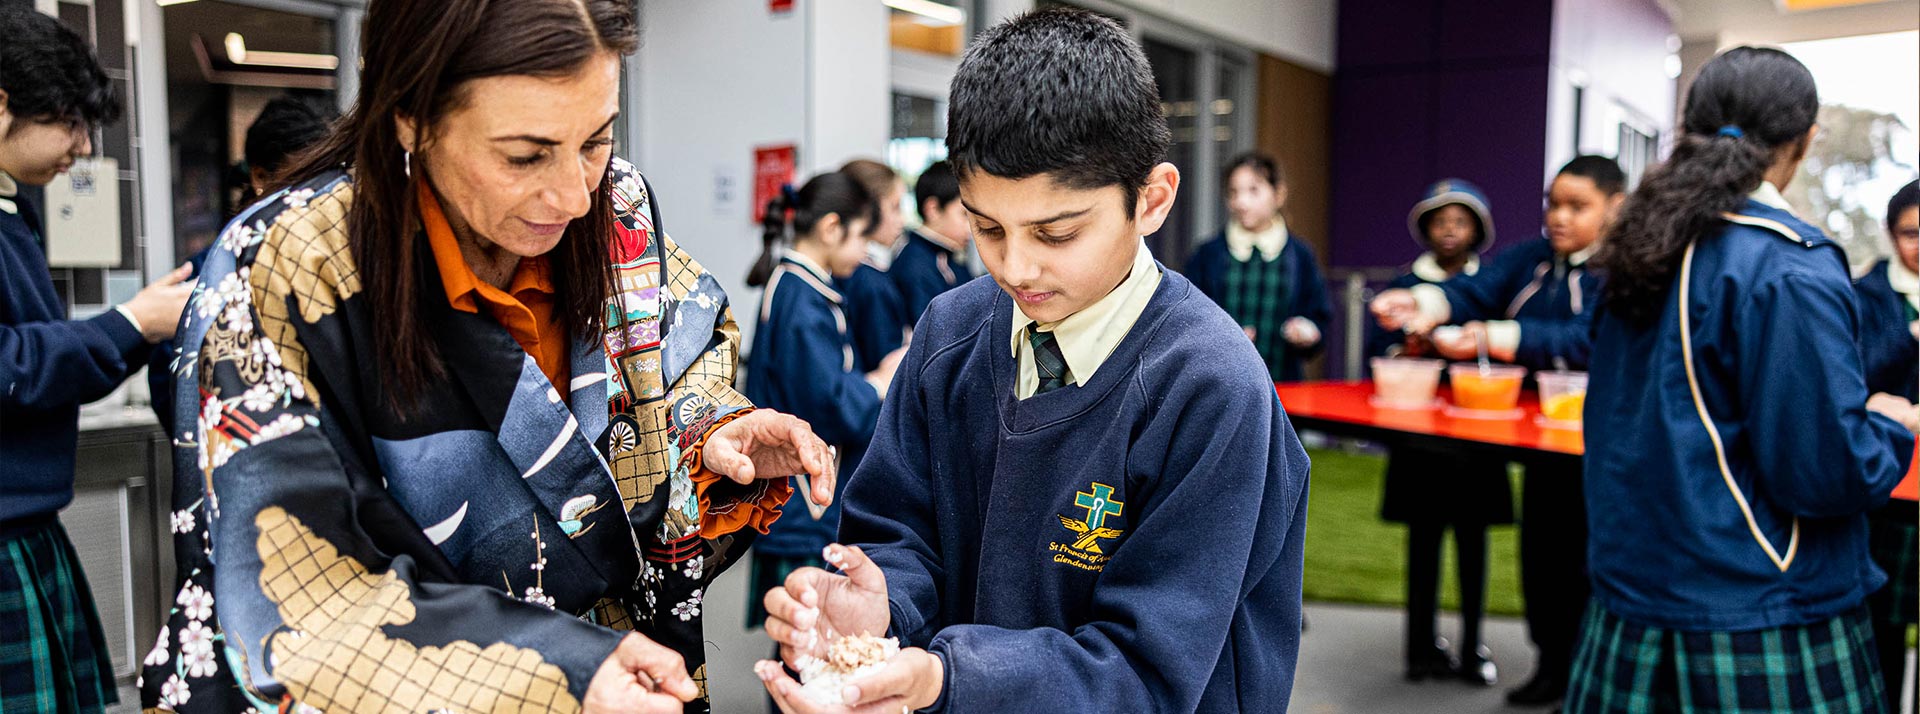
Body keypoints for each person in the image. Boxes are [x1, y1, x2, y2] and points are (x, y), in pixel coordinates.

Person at [135, 1, 839, 712]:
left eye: (597, 138)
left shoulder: (616, 205)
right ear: (410, 113)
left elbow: (658, 374)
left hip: (629, 672)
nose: (570, 194)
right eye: (524, 155)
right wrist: (554, 671)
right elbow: (290, 587)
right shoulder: (288, 267)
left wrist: (707, 433)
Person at [752, 10, 1311, 712]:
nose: (1016, 267)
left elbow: (1152, 670)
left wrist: (948, 679)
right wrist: (883, 605)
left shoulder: (1210, 386)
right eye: (986, 228)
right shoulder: (950, 333)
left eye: (1057, 231)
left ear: (1153, 199)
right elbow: (898, 530)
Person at [1566, 47, 1914, 713]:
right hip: (1758, 606)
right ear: (1805, 140)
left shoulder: (1641, 247)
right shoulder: (1786, 266)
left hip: (1634, 594)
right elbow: (1822, 472)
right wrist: (1888, 427)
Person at [1373, 157, 1627, 707]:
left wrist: (1495, 335)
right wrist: (1419, 301)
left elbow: (1587, 340)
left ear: (1616, 208)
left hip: (1595, 449)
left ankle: (1585, 672)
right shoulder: (1532, 259)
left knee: (1585, 559)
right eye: (1552, 204)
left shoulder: (1622, 272)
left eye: (1576, 206)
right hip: (1536, 446)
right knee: (1540, 553)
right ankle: (1548, 663)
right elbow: (1475, 289)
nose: (1558, 217)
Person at [0, 8, 193, 713]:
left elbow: (41, 362)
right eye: (70, 124)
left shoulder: (12, 211)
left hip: (28, 530)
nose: (82, 149)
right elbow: (8, 364)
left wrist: (140, 330)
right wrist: (127, 322)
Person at [1365, 179, 1511, 687]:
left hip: (1475, 440)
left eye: (1461, 220)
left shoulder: (1491, 285)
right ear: (1426, 229)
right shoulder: (1404, 285)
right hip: (1421, 440)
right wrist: (1406, 348)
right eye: (1440, 220)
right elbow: (1376, 351)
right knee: (1423, 544)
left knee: (1474, 545)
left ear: (1478, 231)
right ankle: (1419, 650)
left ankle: (1473, 648)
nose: (1450, 230)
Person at [743, 171, 900, 635]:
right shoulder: (802, 298)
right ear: (832, 229)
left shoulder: (798, 286)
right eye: (861, 238)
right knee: (807, 631)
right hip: (802, 501)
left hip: (799, 496)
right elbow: (827, 404)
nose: (866, 252)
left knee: (804, 631)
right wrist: (878, 382)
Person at [150, 95, 336, 435]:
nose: (325, 201)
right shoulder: (209, 277)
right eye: (310, 182)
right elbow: (176, 399)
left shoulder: (340, 267)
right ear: (260, 176)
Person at [1185, 152, 1333, 382]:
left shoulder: (1300, 255)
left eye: (1253, 191)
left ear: (1279, 194)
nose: (1241, 203)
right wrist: (1220, 339)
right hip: (1220, 384)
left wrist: (1307, 332)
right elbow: (1188, 317)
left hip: (1282, 384)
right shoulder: (1208, 254)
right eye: (1234, 192)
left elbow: (1319, 317)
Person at [1858, 178, 1920, 712]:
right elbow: (1856, 375)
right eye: (1912, 233)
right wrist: (1913, 332)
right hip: (1890, 488)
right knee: (1881, 626)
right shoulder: (1865, 294)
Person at [833, 159, 910, 372]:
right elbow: (885, 361)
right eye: (895, 207)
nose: (901, 220)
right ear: (869, 209)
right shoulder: (870, 282)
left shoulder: (849, 272)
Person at [891, 160, 974, 324]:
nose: (972, 228)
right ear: (933, 209)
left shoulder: (946, 255)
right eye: (964, 215)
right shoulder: (916, 266)